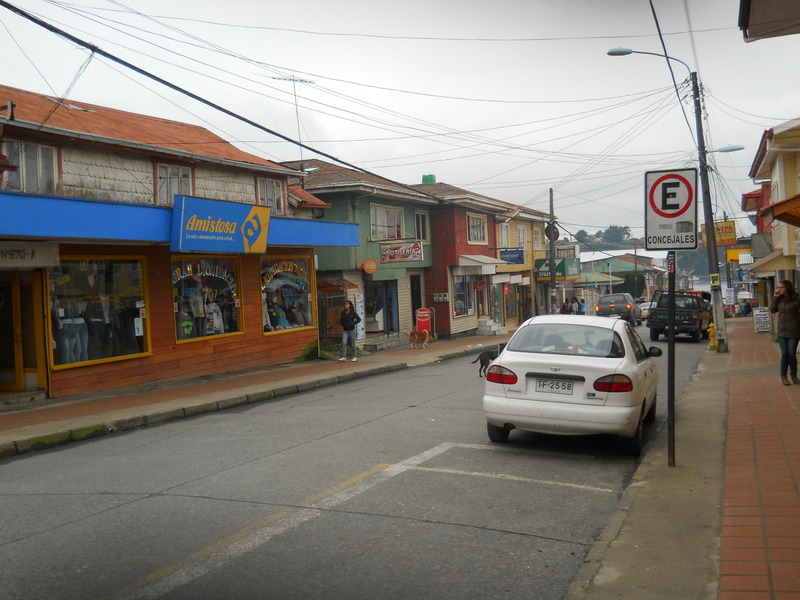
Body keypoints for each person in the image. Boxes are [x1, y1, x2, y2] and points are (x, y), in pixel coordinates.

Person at [770, 279, 800, 385]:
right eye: (778, 287)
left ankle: (794, 375)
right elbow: (772, 310)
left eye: (781, 287)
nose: (779, 289)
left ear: (787, 287)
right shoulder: (779, 299)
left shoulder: (796, 298)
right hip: (782, 331)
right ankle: (783, 376)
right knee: (785, 354)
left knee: (791, 354)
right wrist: (775, 297)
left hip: (794, 330)